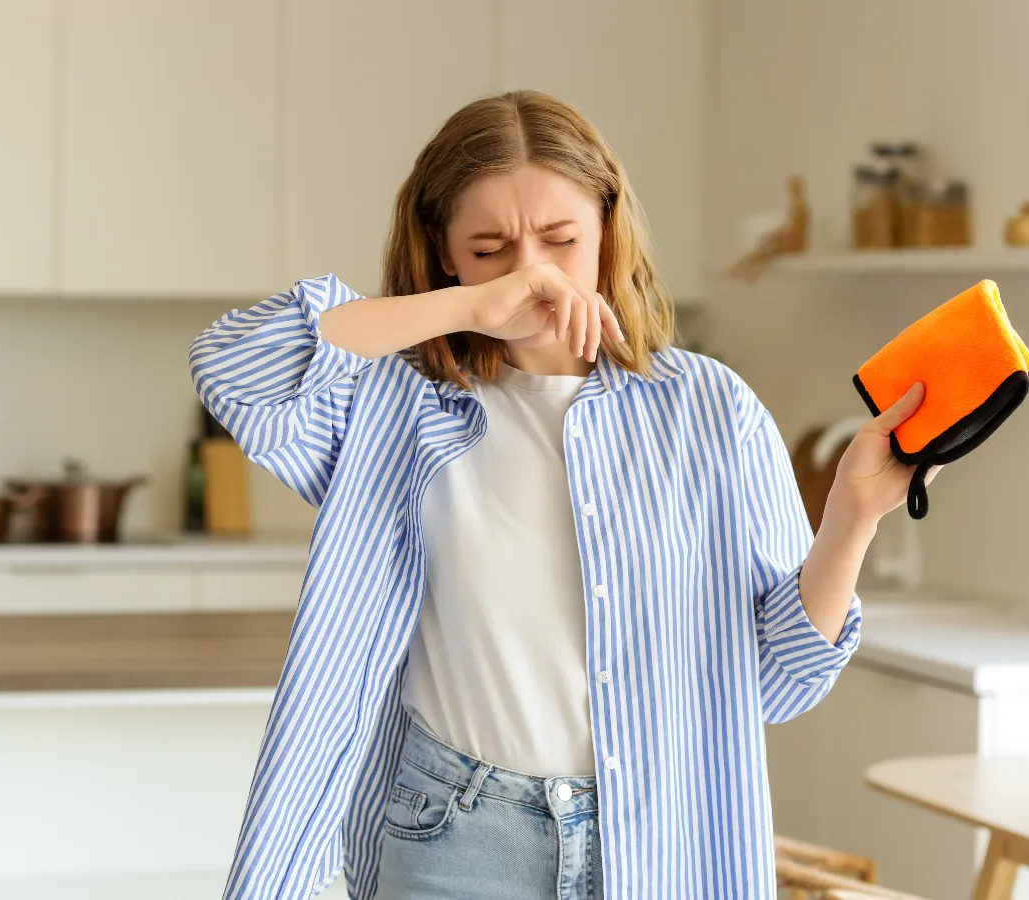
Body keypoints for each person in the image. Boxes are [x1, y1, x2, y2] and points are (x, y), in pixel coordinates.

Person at [189, 89, 938, 900]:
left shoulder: (708, 410)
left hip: (661, 840)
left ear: (608, 232)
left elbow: (782, 680)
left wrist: (854, 518)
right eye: (489, 250)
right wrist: (471, 310)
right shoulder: (390, 405)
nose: (534, 277)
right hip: (454, 839)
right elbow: (238, 366)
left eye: (560, 241)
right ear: (443, 253)